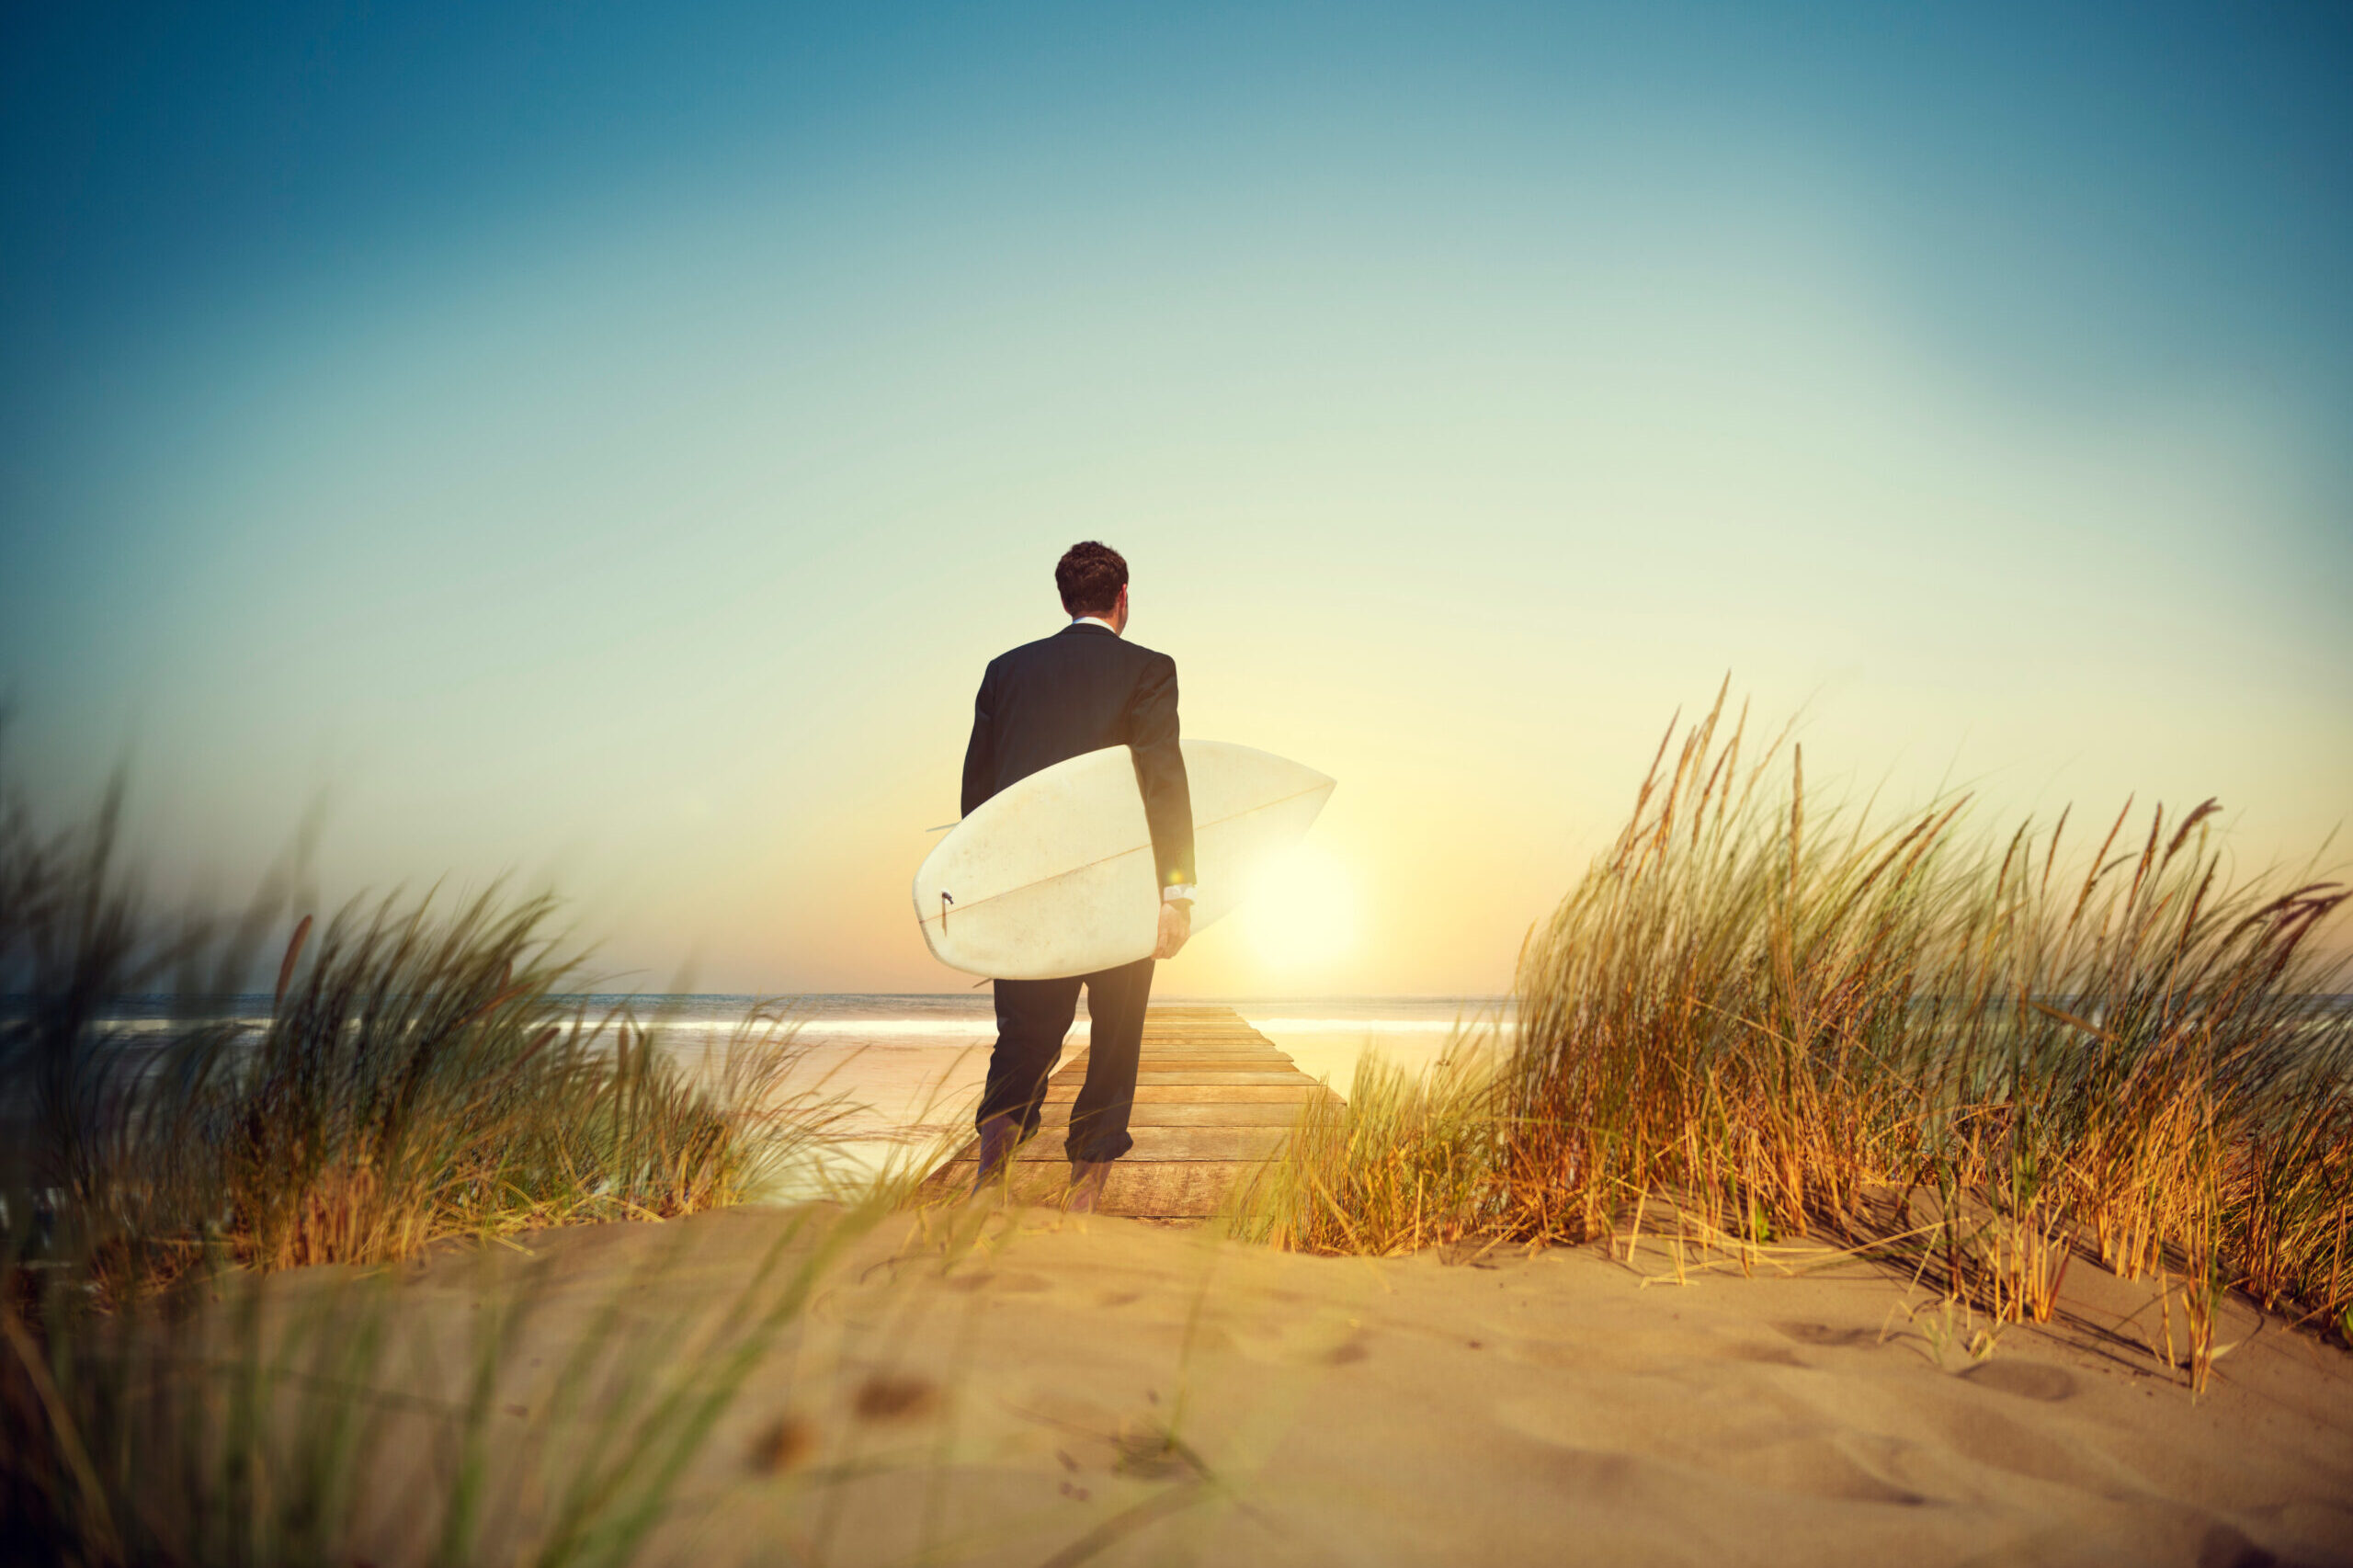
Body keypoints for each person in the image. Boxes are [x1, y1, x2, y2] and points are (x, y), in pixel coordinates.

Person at [959, 541, 1195, 1212]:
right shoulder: (1149, 670)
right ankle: (1084, 1201)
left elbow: (979, 796)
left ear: (1065, 601)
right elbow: (1162, 779)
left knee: (1025, 1037)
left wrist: (983, 891)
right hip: (1120, 891)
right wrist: (1177, 891)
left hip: (1029, 895)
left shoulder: (1006, 672)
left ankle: (986, 1188)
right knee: (1115, 1039)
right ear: (1124, 598)